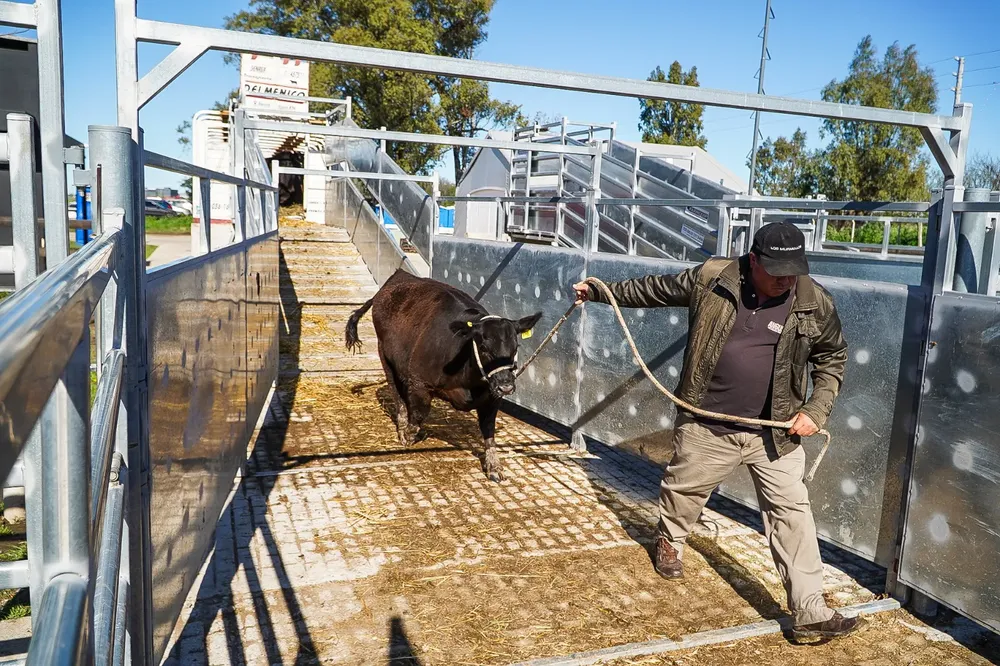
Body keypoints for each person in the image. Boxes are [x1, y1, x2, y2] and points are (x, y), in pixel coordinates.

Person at [573, 222, 860, 642]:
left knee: (792, 513)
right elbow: (655, 290)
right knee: (684, 491)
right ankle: (671, 539)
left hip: (774, 434)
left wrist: (816, 409)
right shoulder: (713, 277)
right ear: (754, 260)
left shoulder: (813, 301)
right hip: (707, 422)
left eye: (794, 270)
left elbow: (832, 358)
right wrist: (599, 291)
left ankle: (810, 611)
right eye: (777, 271)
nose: (786, 280)